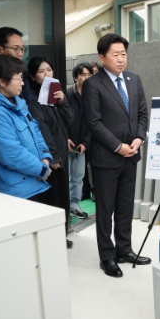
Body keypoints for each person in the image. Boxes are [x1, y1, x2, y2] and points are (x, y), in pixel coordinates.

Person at [82, 34, 149, 278]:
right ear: (102, 58)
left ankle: (124, 249)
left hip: (131, 155)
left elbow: (142, 114)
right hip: (106, 159)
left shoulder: (134, 79)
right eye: (115, 55)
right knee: (105, 210)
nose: (121, 59)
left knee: (124, 207)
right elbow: (94, 122)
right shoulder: (93, 84)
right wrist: (118, 146)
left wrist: (139, 138)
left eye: (123, 54)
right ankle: (107, 257)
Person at [0, 54, 53, 201]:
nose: (22, 83)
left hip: (33, 181)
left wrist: (45, 158)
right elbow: (12, 153)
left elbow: (36, 131)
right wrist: (41, 169)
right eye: (19, 78)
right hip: (16, 191)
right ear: (2, 81)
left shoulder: (19, 103)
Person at [25, 56, 75, 248]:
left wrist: (63, 102)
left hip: (61, 154)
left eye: (49, 69)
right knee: (51, 200)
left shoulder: (54, 95)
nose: (46, 74)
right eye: (41, 71)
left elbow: (69, 120)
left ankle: (61, 236)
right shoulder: (33, 99)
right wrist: (53, 156)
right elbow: (42, 128)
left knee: (63, 198)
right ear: (32, 76)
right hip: (50, 158)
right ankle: (52, 240)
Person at [65, 63, 93, 220]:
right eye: (83, 75)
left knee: (78, 177)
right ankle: (64, 207)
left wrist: (85, 143)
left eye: (89, 75)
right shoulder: (67, 94)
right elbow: (59, 120)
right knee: (65, 178)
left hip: (80, 145)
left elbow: (93, 123)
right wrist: (65, 138)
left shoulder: (92, 97)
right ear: (75, 77)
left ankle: (74, 205)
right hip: (66, 143)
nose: (87, 78)